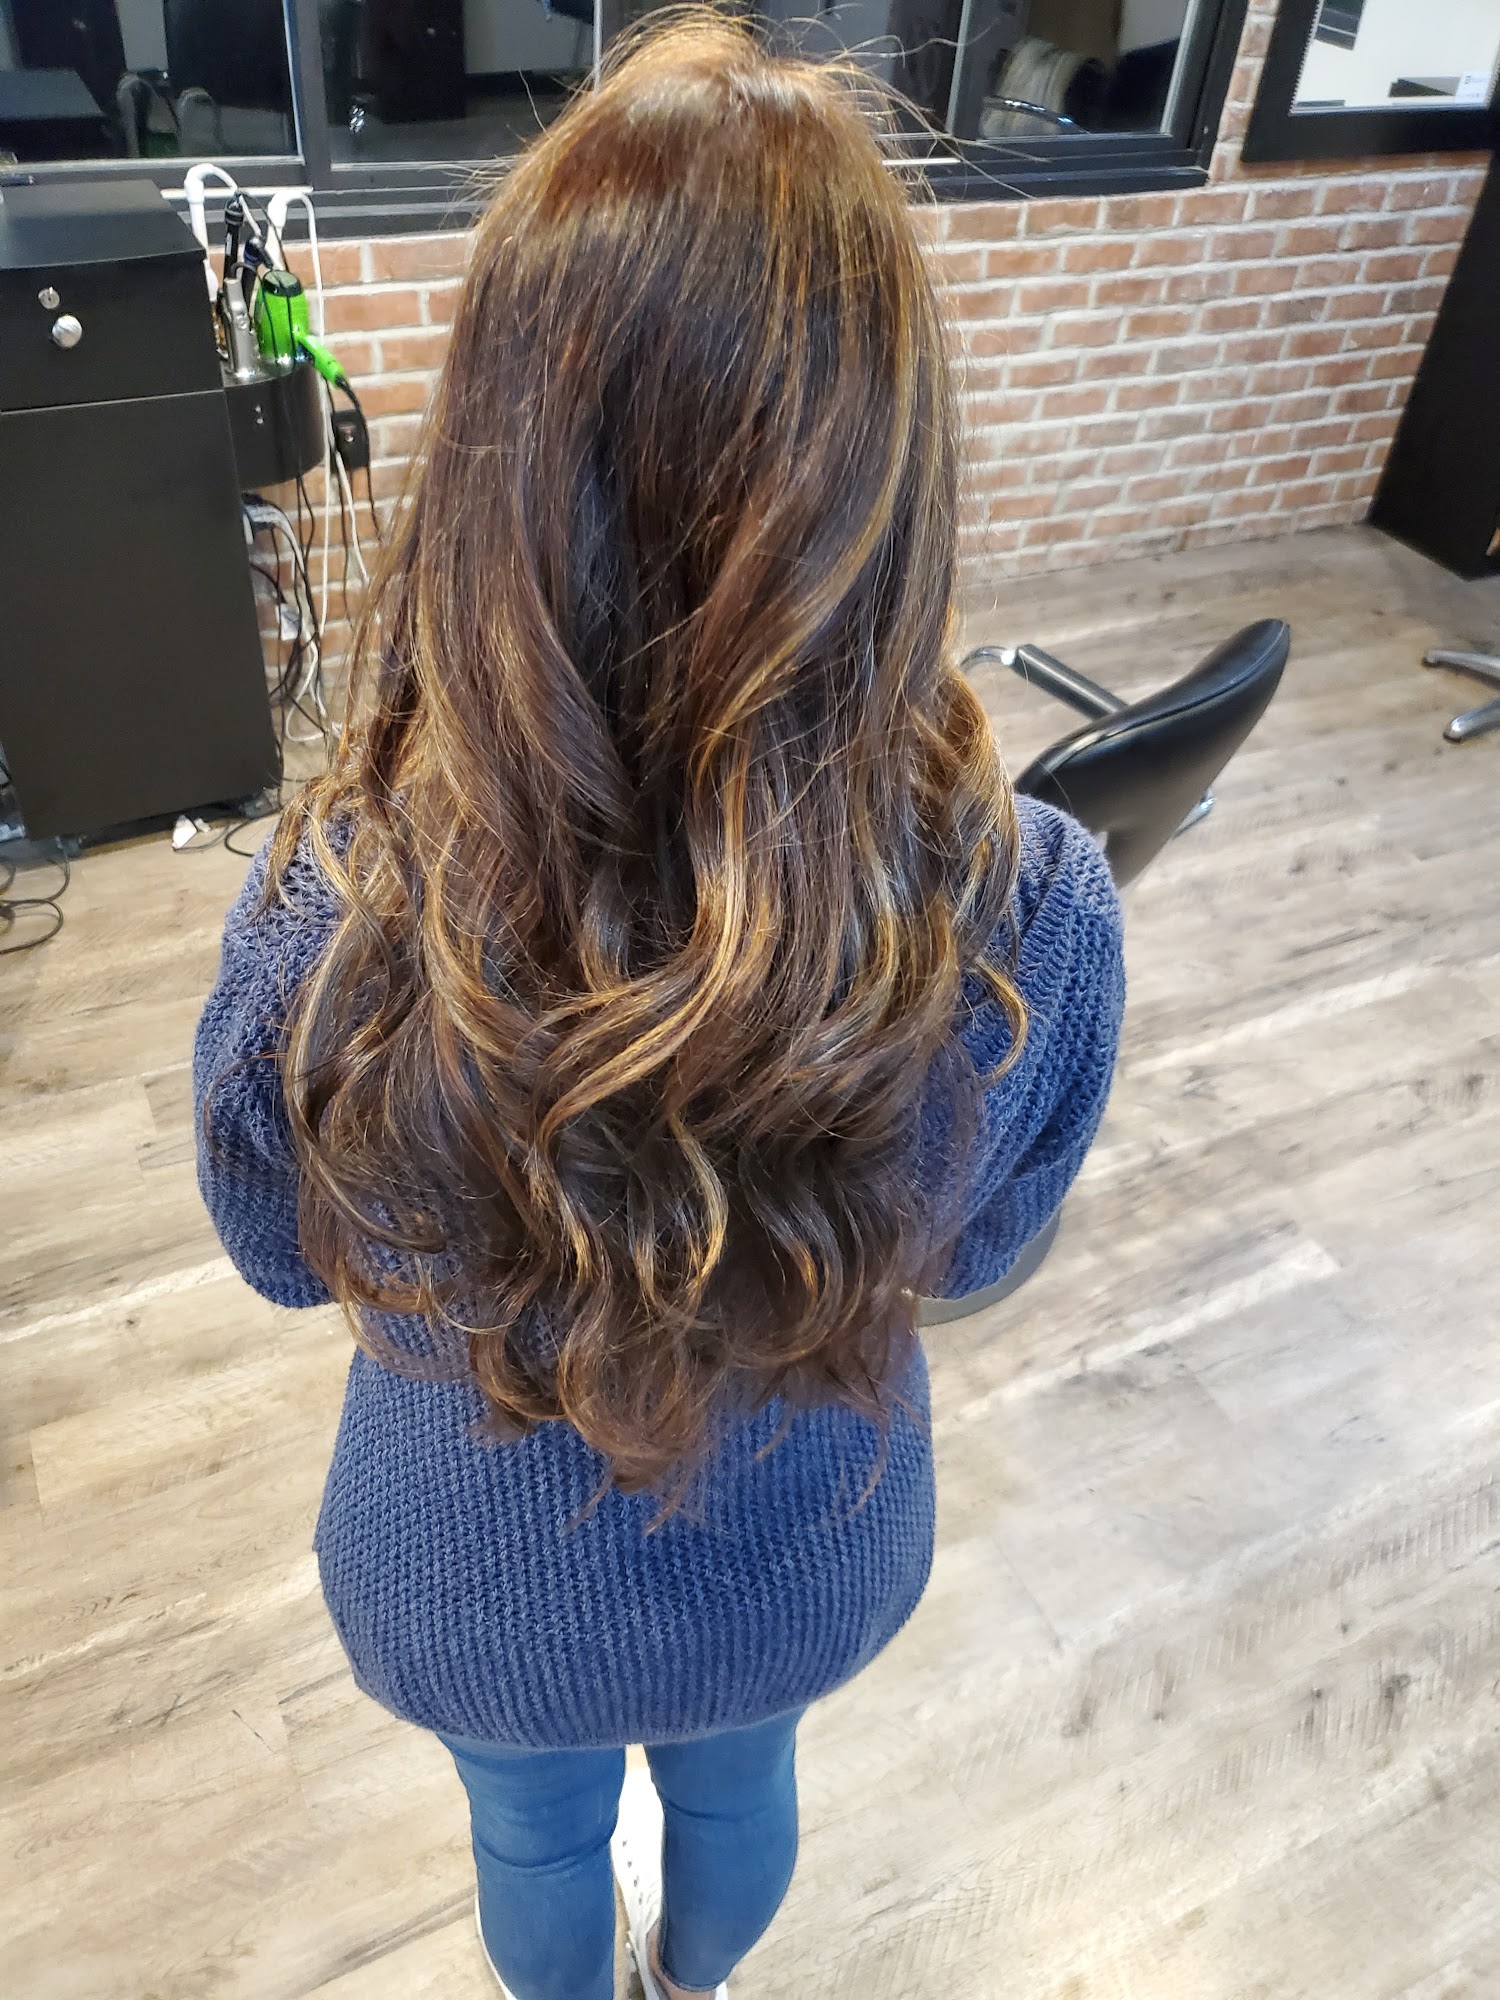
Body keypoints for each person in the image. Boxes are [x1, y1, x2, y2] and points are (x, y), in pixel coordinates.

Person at [193, 18, 1125, 2000]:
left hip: (470, 1581)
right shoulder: (1025, 902)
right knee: (739, 1786)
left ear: (500, 455)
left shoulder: (335, 909)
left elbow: (276, 1253)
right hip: (799, 1556)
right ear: (888, 466)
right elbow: (979, 1253)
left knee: (529, 1835)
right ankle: (691, 1986)